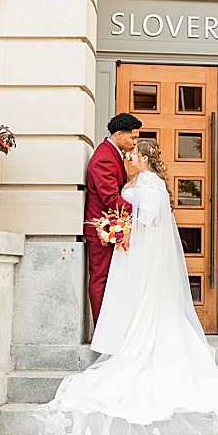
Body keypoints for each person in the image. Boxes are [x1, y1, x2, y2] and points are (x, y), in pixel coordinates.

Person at [36, 139, 218, 435]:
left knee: (150, 316)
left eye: (134, 155)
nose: (130, 159)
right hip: (134, 253)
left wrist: (123, 227)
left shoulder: (153, 187)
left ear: (144, 158)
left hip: (143, 257)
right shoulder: (142, 183)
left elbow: (149, 221)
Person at [83, 113, 141, 324]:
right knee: (101, 279)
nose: (135, 142)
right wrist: (140, 211)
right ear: (118, 135)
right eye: (132, 138)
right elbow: (110, 197)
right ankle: (101, 330)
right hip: (102, 230)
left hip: (112, 229)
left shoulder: (112, 153)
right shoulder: (105, 157)